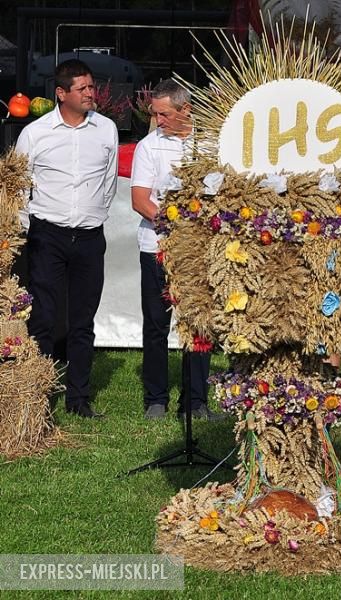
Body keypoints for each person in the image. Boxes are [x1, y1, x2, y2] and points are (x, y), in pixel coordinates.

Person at [15, 59, 118, 418]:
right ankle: (39, 397)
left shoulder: (106, 130)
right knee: (43, 318)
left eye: (92, 87)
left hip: (89, 237)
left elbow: (107, 183)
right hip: (48, 235)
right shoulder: (35, 133)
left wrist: (93, 216)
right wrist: (25, 229)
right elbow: (19, 184)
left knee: (82, 320)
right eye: (83, 88)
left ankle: (78, 399)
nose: (91, 93)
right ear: (61, 94)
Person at [131, 79, 224, 420]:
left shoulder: (212, 145)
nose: (159, 121)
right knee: (157, 324)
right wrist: (173, 223)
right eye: (155, 114)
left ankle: (196, 401)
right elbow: (140, 200)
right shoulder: (148, 146)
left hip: (199, 250)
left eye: (165, 114)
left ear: (187, 110)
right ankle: (156, 397)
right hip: (156, 246)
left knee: (200, 324)